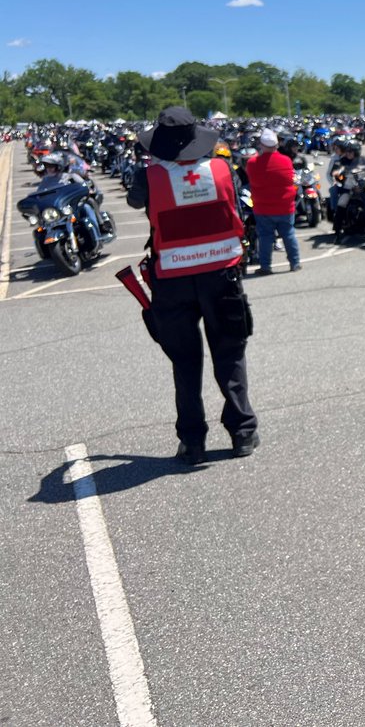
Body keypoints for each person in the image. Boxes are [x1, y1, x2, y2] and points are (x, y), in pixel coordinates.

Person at [127, 106, 258, 466]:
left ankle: (192, 441)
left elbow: (134, 201)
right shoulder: (221, 169)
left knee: (184, 363)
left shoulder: (148, 176)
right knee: (230, 354)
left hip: (172, 279)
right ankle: (242, 431)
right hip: (222, 273)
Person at [244, 128, 301, 274]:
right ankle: (295, 263)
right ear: (276, 145)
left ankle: (265, 266)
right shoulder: (286, 160)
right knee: (288, 234)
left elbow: (251, 180)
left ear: (262, 145)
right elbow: (290, 180)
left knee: (265, 237)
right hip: (285, 206)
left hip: (263, 208)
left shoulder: (252, 163)